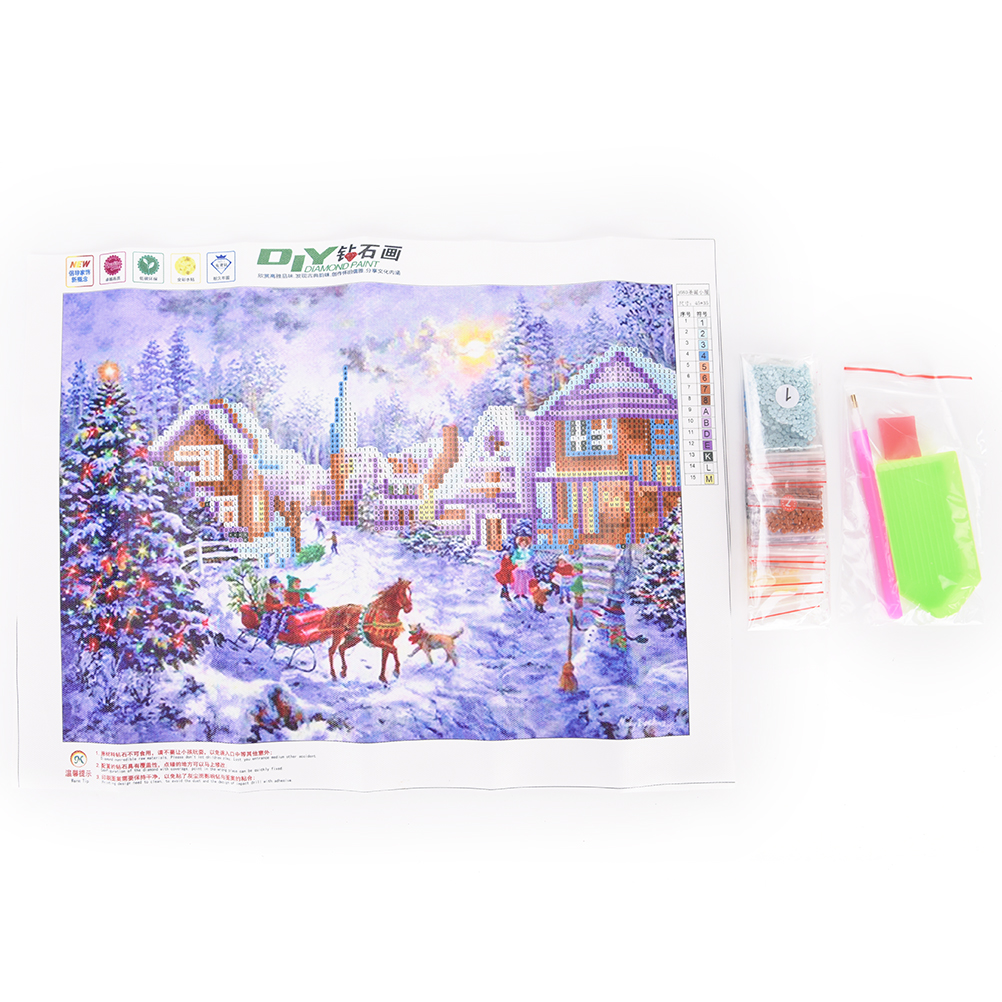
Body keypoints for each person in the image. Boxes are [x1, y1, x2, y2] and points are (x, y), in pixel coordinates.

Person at [511, 535, 533, 600]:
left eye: (524, 544)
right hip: (518, 568)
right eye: (522, 543)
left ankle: (524, 593)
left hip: (526, 568)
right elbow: (513, 558)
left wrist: (528, 563)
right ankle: (517, 593)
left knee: (525, 581)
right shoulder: (517, 551)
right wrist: (516, 562)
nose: (523, 545)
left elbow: (532, 559)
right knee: (518, 581)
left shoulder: (529, 551)